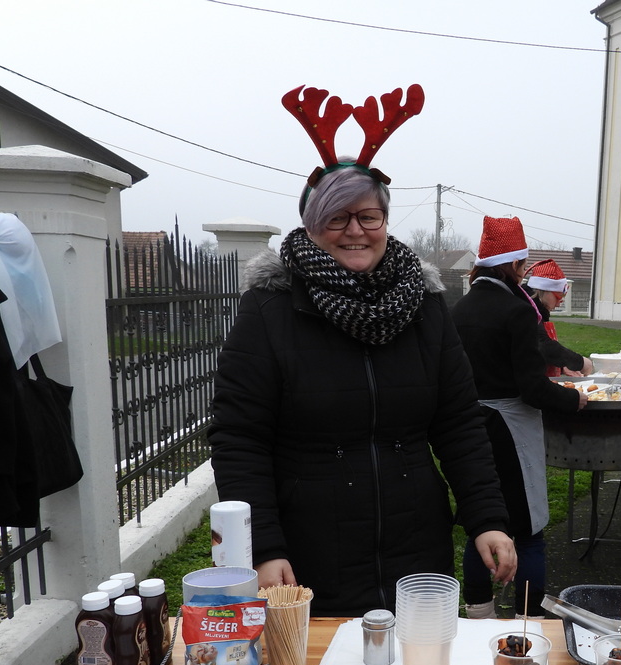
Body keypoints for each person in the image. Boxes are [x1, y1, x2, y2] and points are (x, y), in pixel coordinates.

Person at [209, 83, 516, 616]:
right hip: (309, 553)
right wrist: (264, 547)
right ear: (312, 224)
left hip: (417, 545)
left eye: (368, 216)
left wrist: (487, 517)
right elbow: (240, 437)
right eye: (337, 218)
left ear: (384, 221)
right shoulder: (271, 307)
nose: (355, 231)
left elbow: (459, 422)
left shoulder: (423, 305)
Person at [452, 217, 586, 617]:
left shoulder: (459, 309)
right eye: (523, 264)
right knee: (527, 533)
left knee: (482, 525)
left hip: (468, 429)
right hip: (509, 428)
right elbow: (531, 388)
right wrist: (571, 399)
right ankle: (530, 621)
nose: (525, 271)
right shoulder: (517, 311)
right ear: (512, 265)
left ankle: (478, 612)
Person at [524, 258, 594, 377]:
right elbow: (543, 345)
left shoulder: (535, 309)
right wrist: (580, 362)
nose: (558, 303)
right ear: (543, 291)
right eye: (558, 296)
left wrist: (562, 366)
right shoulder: (526, 310)